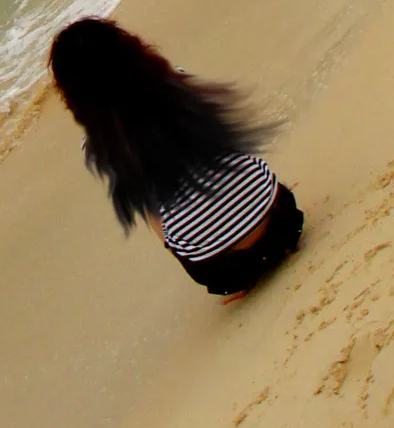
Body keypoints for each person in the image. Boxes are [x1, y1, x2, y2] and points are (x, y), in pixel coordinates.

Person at [48, 16, 303, 298]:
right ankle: (251, 199)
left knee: (149, 202)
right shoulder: (173, 79)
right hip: (285, 220)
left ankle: (229, 239)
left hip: (231, 272)